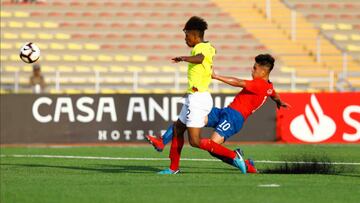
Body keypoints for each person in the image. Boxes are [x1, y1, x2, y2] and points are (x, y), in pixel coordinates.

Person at [147, 54, 291, 174]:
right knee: (189, 118)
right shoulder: (268, 87)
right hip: (225, 112)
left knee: (213, 147)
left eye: (255, 68)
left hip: (235, 118)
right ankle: (162, 141)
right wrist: (279, 101)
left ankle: (243, 162)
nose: (252, 70)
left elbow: (239, 82)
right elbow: (273, 94)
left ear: (264, 72)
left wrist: (216, 77)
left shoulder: (259, 84)